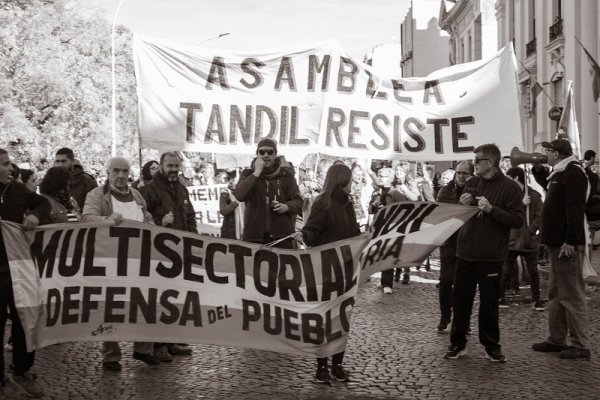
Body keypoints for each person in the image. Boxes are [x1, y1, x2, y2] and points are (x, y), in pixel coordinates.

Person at [443, 143, 523, 363]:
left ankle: (491, 346)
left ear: (491, 162)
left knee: (489, 304)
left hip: (491, 255)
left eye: (478, 160)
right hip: (465, 251)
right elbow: (462, 214)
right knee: (460, 301)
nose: (474, 163)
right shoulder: (472, 182)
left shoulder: (510, 187)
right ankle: (457, 344)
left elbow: (517, 220)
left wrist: (492, 210)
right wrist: (464, 204)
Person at [81, 157, 160, 371]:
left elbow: (147, 216)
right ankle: (111, 356)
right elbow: (86, 219)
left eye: (125, 171)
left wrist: (154, 226)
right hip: (111, 262)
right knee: (111, 308)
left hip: (139, 261)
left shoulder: (136, 195)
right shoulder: (97, 195)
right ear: (108, 172)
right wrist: (107, 220)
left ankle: (144, 349)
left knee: (145, 303)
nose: (121, 175)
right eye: (116, 171)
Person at [294, 164, 359, 384]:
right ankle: (321, 367)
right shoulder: (323, 203)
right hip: (325, 270)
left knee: (342, 320)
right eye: (351, 179)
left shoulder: (348, 203)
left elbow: (354, 234)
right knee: (324, 320)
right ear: (342, 180)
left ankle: (337, 365)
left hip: (346, 270)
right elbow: (312, 231)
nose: (354, 183)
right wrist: (303, 235)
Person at [531, 139, 591, 360]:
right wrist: (538, 171)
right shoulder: (560, 171)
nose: (544, 154)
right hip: (557, 243)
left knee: (572, 294)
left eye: (547, 151)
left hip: (566, 244)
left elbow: (574, 208)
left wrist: (571, 241)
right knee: (555, 294)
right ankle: (557, 339)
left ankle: (581, 345)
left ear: (556, 153)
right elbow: (551, 191)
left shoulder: (573, 172)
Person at [0, 148, 49, 398]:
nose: (12, 168)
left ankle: (22, 367)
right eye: (6, 164)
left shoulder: (18, 190)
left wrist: (35, 216)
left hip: (18, 267)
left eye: (11, 163)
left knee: (24, 319)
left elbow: (43, 203)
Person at [141, 152, 197, 360]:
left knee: (176, 298)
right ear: (162, 166)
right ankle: (158, 344)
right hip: (158, 254)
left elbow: (190, 216)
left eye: (176, 165)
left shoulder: (182, 189)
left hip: (180, 252)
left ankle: (173, 340)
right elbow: (140, 220)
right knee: (159, 299)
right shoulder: (147, 190)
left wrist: (194, 240)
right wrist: (159, 221)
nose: (173, 169)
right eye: (169, 166)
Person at [234, 138, 303, 248]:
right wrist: (256, 172)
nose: (266, 155)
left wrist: (287, 206)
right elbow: (239, 195)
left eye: (270, 152)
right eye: (262, 152)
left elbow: (298, 202)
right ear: (257, 155)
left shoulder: (286, 176)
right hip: (254, 237)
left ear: (275, 155)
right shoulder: (248, 174)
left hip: (281, 237)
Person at [435, 160, 473, 332]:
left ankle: (461, 319)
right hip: (449, 242)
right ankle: (445, 315)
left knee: (463, 284)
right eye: (459, 173)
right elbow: (439, 214)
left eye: (465, 173)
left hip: (467, 243)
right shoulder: (445, 190)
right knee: (445, 281)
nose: (462, 176)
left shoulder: (475, 190)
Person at [499, 167, 544, 311]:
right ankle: (500, 297)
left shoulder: (534, 196)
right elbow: (502, 213)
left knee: (533, 271)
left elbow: (540, 216)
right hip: (511, 238)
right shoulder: (508, 195)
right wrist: (520, 203)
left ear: (516, 178)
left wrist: (530, 231)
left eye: (509, 178)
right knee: (505, 270)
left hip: (528, 239)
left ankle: (536, 299)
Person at [368, 167, 406, 294]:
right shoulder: (376, 192)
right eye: (378, 175)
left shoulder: (396, 194)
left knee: (389, 254)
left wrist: (387, 209)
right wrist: (373, 206)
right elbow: (370, 210)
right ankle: (384, 279)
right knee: (380, 253)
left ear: (390, 178)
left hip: (391, 228)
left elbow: (403, 212)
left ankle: (387, 283)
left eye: (382, 176)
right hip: (378, 227)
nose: (378, 177)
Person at [219, 172, 239, 239]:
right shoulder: (225, 192)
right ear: (231, 180)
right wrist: (234, 203)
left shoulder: (245, 192)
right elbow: (223, 210)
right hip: (230, 230)